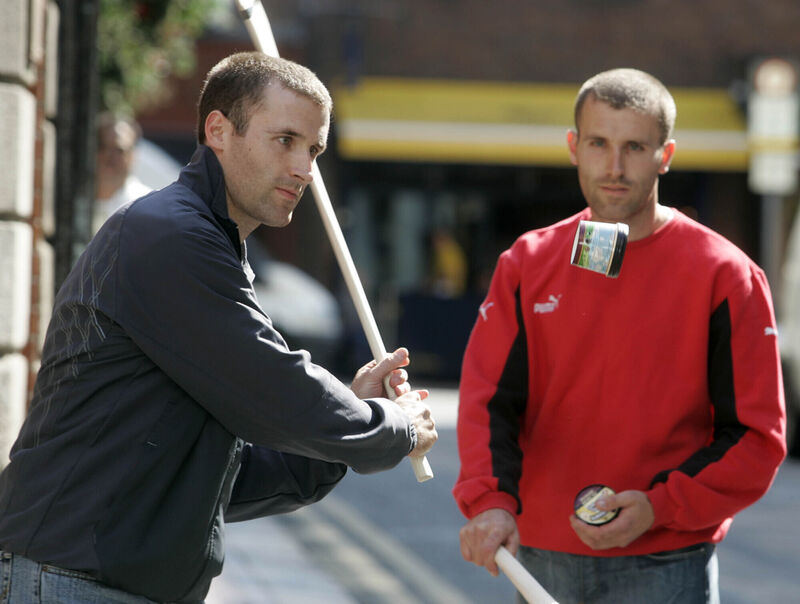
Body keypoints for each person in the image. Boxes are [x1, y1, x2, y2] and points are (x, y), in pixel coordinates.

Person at [0, 52, 437, 603]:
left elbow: (215, 475)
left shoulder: (207, 242)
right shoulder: (172, 235)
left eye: (314, 149)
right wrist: (389, 426)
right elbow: (275, 388)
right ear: (218, 131)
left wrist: (345, 430)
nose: (304, 168)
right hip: (72, 581)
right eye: (285, 140)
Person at [453, 68, 786, 604]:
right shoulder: (528, 263)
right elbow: (487, 402)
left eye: (634, 147)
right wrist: (490, 503)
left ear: (666, 155)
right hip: (541, 560)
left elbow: (755, 436)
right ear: (573, 147)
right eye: (598, 143)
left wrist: (659, 506)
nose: (614, 167)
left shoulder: (725, 274)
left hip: (667, 563)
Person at [93, 111, 152, 234]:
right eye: (103, 147)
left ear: (132, 156)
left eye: (119, 150)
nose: (110, 156)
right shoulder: (76, 200)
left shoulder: (146, 205)